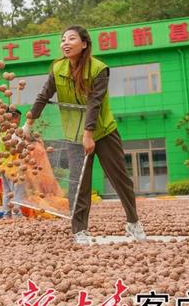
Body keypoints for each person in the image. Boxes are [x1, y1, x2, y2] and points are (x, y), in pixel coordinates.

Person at [23, 26, 147, 245]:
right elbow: (43, 96)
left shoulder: (99, 69)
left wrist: (89, 135)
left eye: (71, 39)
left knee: (120, 179)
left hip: (103, 131)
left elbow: (94, 103)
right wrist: (28, 124)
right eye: (63, 40)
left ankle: (133, 222)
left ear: (84, 44)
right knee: (79, 184)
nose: (65, 43)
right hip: (73, 135)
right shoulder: (58, 67)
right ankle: (79, 230)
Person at [0, 108, 24, 218]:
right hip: (12, 166)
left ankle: (6, 214)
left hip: (3, 165)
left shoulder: (3, 131)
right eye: (18, 118)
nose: (18, 121)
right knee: (17, 191)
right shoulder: (13, 132)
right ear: (14, 118)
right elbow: (20, 147)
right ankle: (16, 214)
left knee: (7, 192)